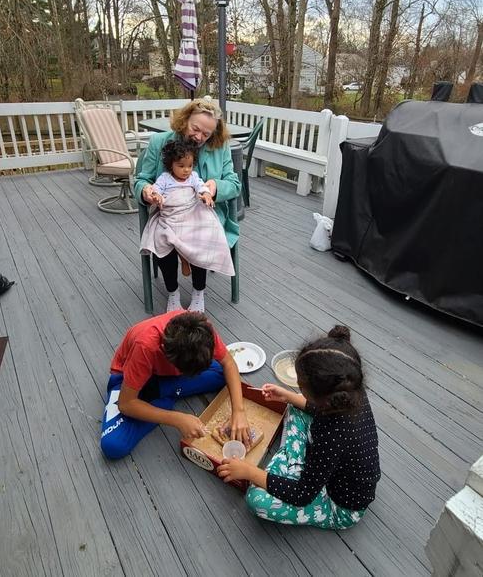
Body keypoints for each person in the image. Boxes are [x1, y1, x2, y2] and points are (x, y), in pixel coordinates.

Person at [218, 325, 381, 529]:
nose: (298, 386)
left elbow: (301, 495)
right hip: (330, 466)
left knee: (256, 500)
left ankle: (291, 463)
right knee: (294, 407)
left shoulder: (332, 435)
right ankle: (293, 463)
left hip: (338, 505)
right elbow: (317, 410)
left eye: (300, 385)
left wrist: (249, 471)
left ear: (323, 397)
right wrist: (288, 396)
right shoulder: (350, 391)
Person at [134, 97, 241, 314]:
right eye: (195, 128)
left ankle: (198, 293)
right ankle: (172, 293)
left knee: (200, 235)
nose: (199, 137)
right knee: (163, 237)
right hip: (169, 213)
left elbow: (234, 184)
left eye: (206, 134)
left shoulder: (221, 148)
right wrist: (146, 191)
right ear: (185, 120)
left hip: (204, 214)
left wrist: (215, 187)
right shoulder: (159, 142)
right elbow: (141, 179)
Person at [100, 310, 250, 459]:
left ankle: (162, 393)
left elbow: (228, 363)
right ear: (165, 351)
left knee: (223, 375)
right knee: (113, 445)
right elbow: (125, 404)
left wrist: (239, 411)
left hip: (171, 375)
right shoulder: (145, 346)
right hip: (129, 379)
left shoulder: (202, 330)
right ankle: (161, 395)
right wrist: (177, 419)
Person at [140, 140, 235, 286]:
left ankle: (197, 288)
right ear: (170, 164)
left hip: (192, 215)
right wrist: (156, 196)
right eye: (181, 166)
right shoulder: (165, 178)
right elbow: (156, 190)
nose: (186, 170)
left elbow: (201, 187)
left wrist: (207, 194)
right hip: (172, 215)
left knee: (206, 231)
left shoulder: (193, 177)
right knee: (163, 238)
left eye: (190, 166)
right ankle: (176, 283)